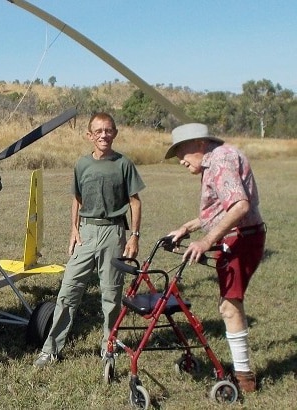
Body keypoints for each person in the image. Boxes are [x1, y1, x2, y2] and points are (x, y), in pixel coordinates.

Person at [34, 112, 145, 368]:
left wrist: (134, 236)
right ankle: (51, 349)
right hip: (86, 233)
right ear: (89, 135)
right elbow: (77, 199)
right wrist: (74, 230)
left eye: (108, 130)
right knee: (68, 291)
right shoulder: (82, 164)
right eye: (98, 131)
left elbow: (134, 201)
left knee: (111, 294)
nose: (103, 135)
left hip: (113, 233)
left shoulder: (123, 163)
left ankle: (109, 347)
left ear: (115, 133)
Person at [164, 123, 265, 393]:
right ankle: (242, 372)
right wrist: (187, 228)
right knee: (228, 304)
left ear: (198, 144)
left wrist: (207, 240)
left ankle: (244, 379)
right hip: (239, 236)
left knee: (229, 307)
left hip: (241, 238)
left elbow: (239, 206)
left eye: (181, 151)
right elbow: (219, 209)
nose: (180, 160)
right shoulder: (219, 158)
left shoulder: (220, 160)